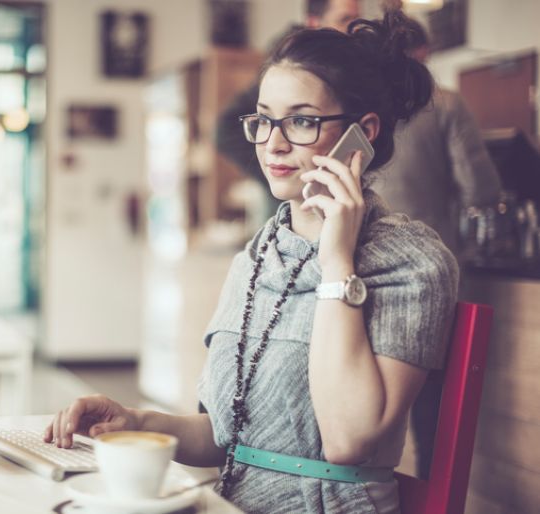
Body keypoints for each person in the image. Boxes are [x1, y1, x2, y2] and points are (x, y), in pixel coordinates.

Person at [45, 11, 459, 514]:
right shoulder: (259, 253)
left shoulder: (413, 263)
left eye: (302, 120)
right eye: (264, 120)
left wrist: (336, 262)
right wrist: (137, 422)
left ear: (364, 133)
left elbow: (349, 441)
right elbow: (227, 439)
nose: (273, 143)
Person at [371, 18, 502, 481]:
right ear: (423, 53)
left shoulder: (356, 104)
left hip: (357, 273)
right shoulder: (446, 104)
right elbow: (481, 190)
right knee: (431, 413)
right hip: (429, 275)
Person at [215, 0, 362, 201]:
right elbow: (224, 129)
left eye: (301, 121)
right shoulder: (287, 67)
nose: (354, 30)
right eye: (345, 19)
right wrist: (280, 173)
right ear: (313, 21)